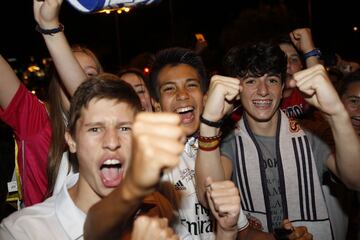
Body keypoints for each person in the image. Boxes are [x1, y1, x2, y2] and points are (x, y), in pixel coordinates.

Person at [195, 40, 360, 240]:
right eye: (251, 81)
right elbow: (208, 198)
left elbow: (355, 180)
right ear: (237, 90)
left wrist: (337, 115)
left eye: (272, 80)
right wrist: (209, 124)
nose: (263, 91)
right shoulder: (228, 142)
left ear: (282, 87)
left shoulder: (312, 132)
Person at [0, 74, 184, 240]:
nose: (112, 142)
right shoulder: (24, 231)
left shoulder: (158, 209)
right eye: (95, 129)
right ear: (71, 140)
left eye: (124, 128)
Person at [0, 49, 102, 207]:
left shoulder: (113, 130)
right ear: (56, 83)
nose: (76, 82)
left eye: (89, 75)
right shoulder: (35, 119)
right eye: (66, 73)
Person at [276, 28, 319, 119]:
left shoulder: (310, 96)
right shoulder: (260, 100)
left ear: (301, 65)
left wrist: (309, 50)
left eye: (294, 59)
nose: (287, 65)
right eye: (281, 60)